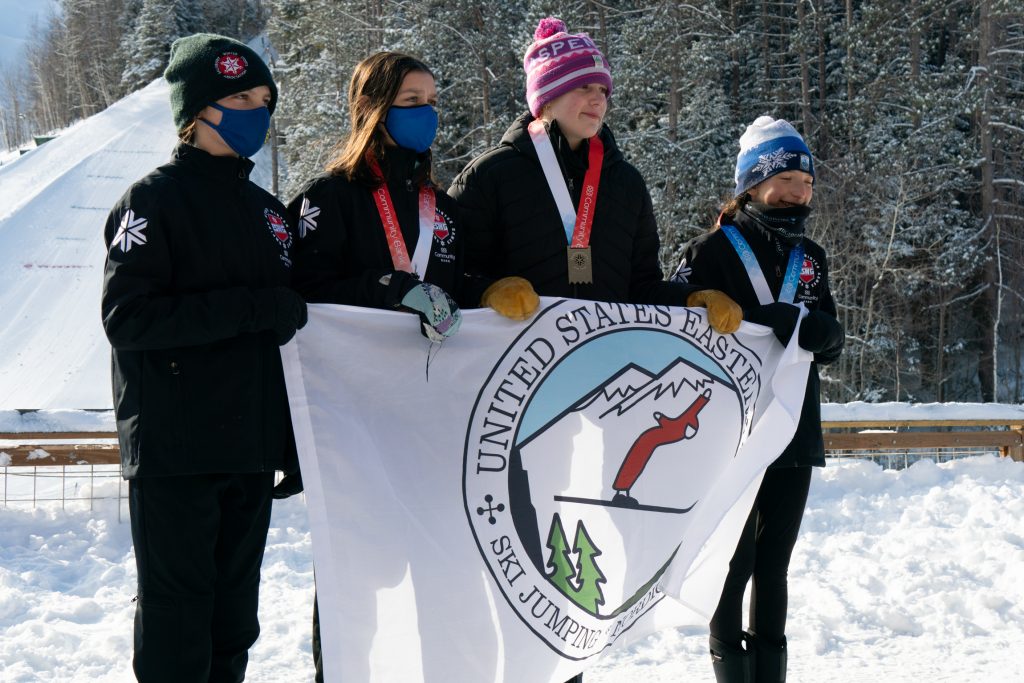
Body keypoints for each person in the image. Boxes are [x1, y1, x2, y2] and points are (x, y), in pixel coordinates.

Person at [448, 17, 743, 682]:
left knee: (570, 569)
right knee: (507, 564)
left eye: (602, 87)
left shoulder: (626, 182)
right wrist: (487, 289)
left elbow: (640, 288)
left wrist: (689, 301)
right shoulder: (492, 177)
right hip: (510, 408)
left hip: (600, 406)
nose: (596, 98)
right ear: (543, 97)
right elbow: (451, 278)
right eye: (580, 86)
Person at [285, 50, 526, 682]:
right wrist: (390, 288)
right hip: (355, 427)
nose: (428, 113)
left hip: (434, 425)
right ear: (373, 109)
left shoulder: (440, 210)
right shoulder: (326, 199)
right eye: (412, 102)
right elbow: (304, 294)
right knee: (356, 584)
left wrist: (488, 295)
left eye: (433, 100)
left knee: (446, 579)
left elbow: (458, 288)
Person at [101, 34, 307, 682]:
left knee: (233, 624)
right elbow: (127, 317)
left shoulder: (270, 214)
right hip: (176, 452)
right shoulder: (151, 200)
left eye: (264, 99)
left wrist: (292, 440)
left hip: (249, 451)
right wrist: (249, 307)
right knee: (177, 627)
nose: (257, 111)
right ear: (196, 112)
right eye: (240, 97)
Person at [671, 116, 845, 682]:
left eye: (807, 183)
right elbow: (674, 325)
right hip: (732, 432)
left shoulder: (812, 255)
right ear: (751, 183)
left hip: (795, 426)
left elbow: (832, 338)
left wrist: (826, 335)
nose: (799, 192)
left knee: (775, 565)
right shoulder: (713, 249)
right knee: (733, 560)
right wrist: (750, 317)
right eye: (788, 179)